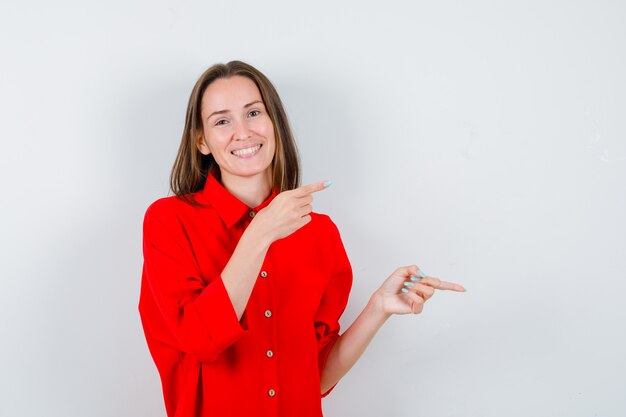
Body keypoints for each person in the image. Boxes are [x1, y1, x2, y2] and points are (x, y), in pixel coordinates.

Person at [138, 60, 466, 417]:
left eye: (253, 112)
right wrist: (260, 232)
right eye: (222, 120)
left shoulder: (319, 232)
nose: (243, 131)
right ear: (201, 141)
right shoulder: (168, 221)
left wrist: (378, 308)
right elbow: (200, 339)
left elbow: (316, 377)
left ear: (274, 123)